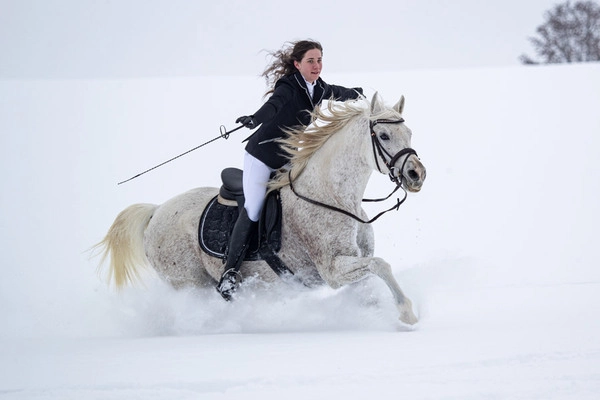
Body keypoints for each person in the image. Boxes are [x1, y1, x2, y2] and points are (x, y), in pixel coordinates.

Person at [217, 39, 364, 300]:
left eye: (319, 60)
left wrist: (357, 93)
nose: (316, 65)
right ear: (297, 64)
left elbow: (337, 92)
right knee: (253, 208)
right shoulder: (289, 86)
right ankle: (229, 273)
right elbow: (273, 106)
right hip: (261, 156)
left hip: (288, 158)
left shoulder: (318, 88)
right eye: (310, 61)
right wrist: (255, 119)